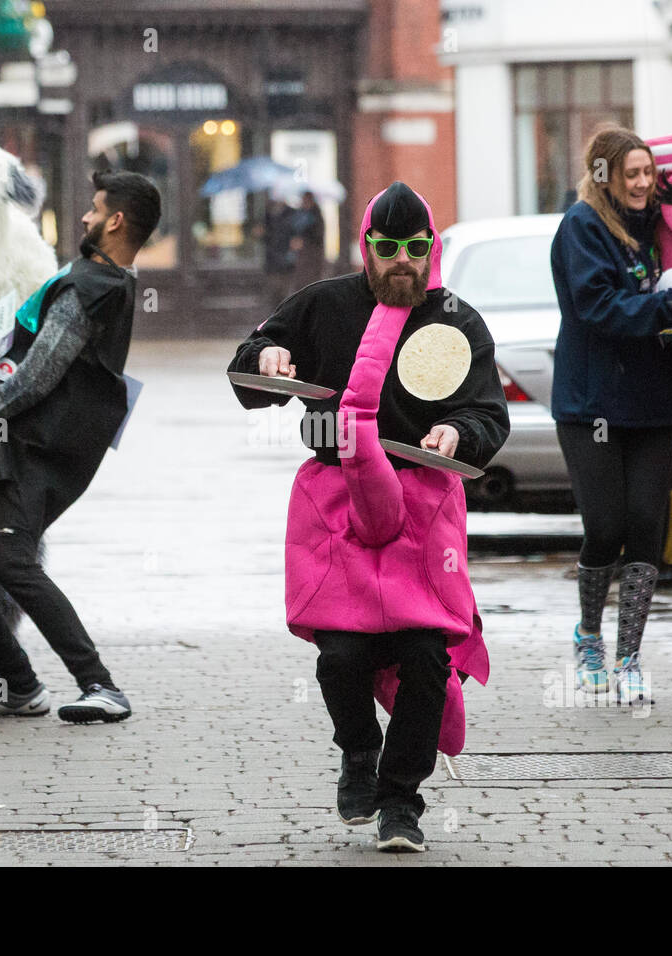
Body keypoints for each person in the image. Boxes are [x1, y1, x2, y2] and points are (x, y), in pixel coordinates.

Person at [228, 181, 508, 852]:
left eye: (416, 248)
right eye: (389, 249)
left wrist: (457, 436)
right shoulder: (323, 303)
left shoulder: (456, 319)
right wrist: (266, 358)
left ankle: (401, 801)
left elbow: (488, 412)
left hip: (422, 507)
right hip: (336, 504)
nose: (402, 262)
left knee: (425, 657)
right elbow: (247, 368)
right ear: (367, 248)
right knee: (341, 654)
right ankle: (358, 750)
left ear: (430, 248)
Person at [0, 170, 160, 722]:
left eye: (95, 208)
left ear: (116, 220)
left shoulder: (90, 286)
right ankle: (21, 686)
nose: (85, 216)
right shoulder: (103, 280)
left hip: (25, 450)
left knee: (12, 560)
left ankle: (101, 686)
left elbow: (36, 376)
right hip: (1, 444)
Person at [549, 125, 672, 706]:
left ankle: (630, 654)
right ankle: (589, 634)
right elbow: (597, 307)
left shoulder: (661, 224)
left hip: (652, 404)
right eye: (631, 173)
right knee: (606, 526)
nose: (643, 183)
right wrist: (671, 307)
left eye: (648, 172)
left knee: (647, 526)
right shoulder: (582, 227)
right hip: (592, 404)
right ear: (604, 175)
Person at [289, 191, 326, 289]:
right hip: (301, 256)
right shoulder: (299, 215)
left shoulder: (316, 216)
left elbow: (317, 235)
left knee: (310, 281)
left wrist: (304, 242)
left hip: (312, 256)